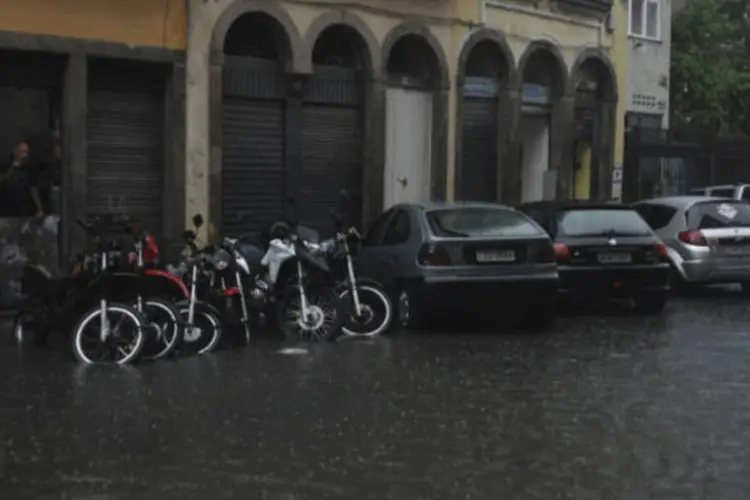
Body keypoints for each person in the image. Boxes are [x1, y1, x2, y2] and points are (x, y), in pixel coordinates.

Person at [0, 141, 44, 217]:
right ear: (15, 152)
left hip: (24, 208)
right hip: (6, 206)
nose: (24, 155)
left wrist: (39, 209)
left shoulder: (30, 169)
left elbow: (34, 189)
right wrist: (13, 168)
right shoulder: (5, 166)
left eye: (26, 152)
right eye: (22, 151)